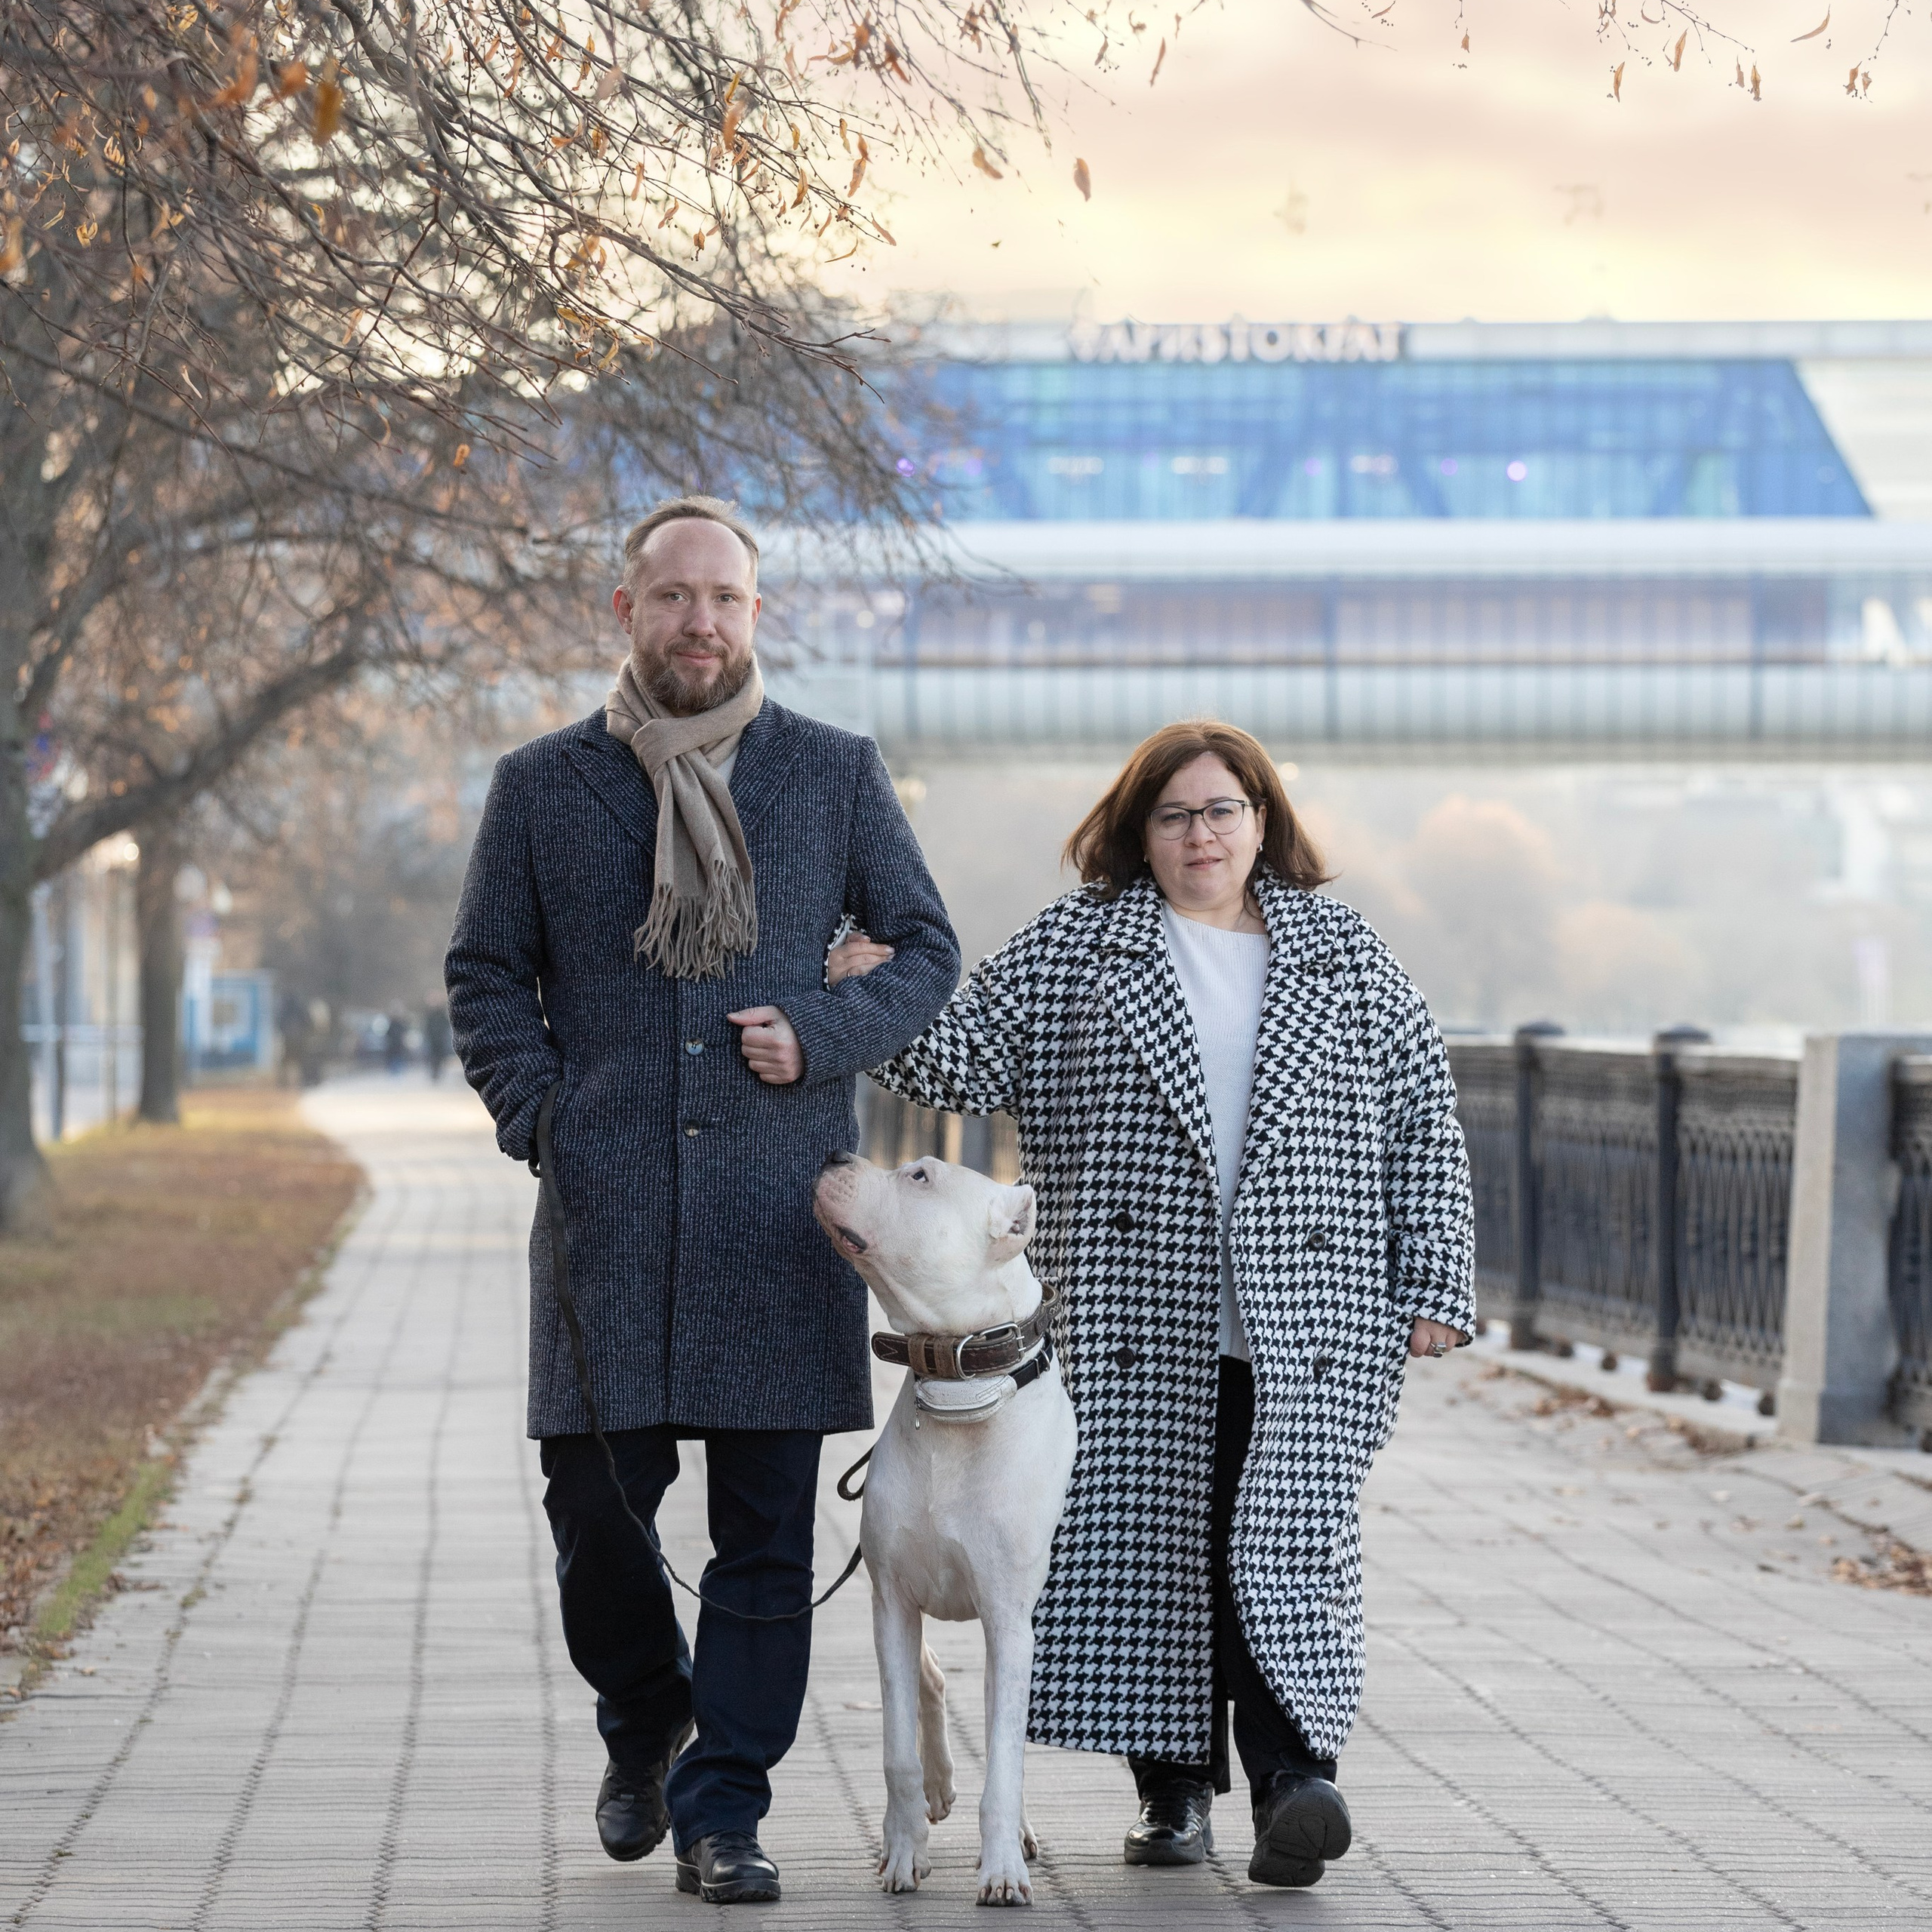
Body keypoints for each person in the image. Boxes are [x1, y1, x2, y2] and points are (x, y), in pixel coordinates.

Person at [833, 720, 1474, 1890]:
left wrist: (1435, 1277)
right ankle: (1171, 1796)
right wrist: (872, 990)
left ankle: (1295, 1782)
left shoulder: (1342, 952)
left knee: (1284, 1542)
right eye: (1175, 816)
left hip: (1310, 1312)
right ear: (1141, 833)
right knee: (1155, 1549)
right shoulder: (1081, 947)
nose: (1201, 836)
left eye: (1222, 810)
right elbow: (961, 1061)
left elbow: (1421, 1113)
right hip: (1135, 1313)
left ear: (1262, 821)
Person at [444, 496, 959, 1906]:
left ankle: (724, 1808)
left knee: (766, 1538)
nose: (700, 622)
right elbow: (485, 972)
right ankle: (644, 1714)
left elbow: (927, 948)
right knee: (595, 1514)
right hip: (603, 1216)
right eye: (673, 596)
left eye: (725, 598)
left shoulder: (834, 773)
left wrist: (824, 1031)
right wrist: (542, 1114)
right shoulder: (542, 786)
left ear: (755, 613)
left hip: (775, 1217)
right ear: (627, 610)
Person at [421, 998, 453, 1083]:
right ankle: (434, 1074)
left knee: (439, 1058)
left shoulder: (441, 1015)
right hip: (433, 1040)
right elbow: (427, 1027)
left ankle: (437, 1074)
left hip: (440, 1040)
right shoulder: (430, 1016)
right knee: (434, 1058)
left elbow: (446, 1025)